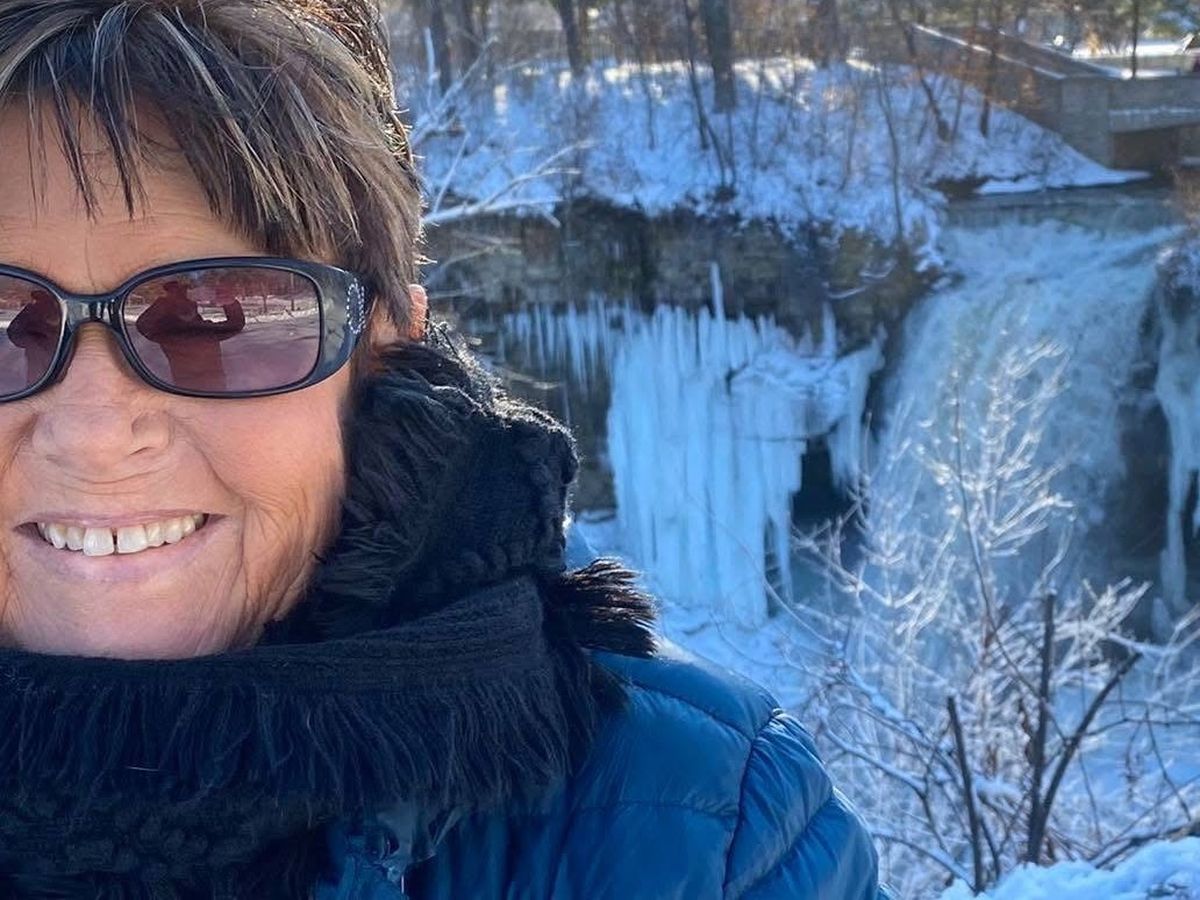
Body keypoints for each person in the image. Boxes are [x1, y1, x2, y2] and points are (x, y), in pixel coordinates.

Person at [0, 1, 887, 897]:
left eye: (215, 321)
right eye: (3, 325)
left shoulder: (708, 831)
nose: (94, 433)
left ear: (385, 345)